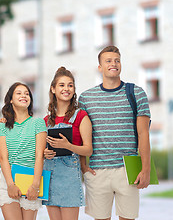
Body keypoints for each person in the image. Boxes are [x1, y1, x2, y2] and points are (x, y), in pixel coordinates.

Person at [79, 46, 151, 220]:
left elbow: (143, 135)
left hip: (128, 169)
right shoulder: (85, 98)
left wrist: (146, 169)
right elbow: (81, 136)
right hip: (97, 171)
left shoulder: (136, 93)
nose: (114, 64)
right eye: (108, 61)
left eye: (117, 60)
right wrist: (83, 165)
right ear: (100, 67)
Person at [43, 66, 93, 220]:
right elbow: (41, 149)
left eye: (70, 85)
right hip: (50, 176)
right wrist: (45, 153)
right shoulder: (46, 120)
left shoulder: (81, 116)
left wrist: (68, 146)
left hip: (70, 177)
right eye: (62, 85)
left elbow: (88, 150)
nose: (66, 89)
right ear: (53, 89)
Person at [0, 82, 47, 220]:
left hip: (31, 179)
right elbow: (3, 157)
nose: (24, 95)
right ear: (11, 99)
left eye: (27, 93)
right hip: (8, 179)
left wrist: (35, 185)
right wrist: (10, 185)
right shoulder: (2, 126)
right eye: (19, 93)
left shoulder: (38, 123)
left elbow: (39, 156)